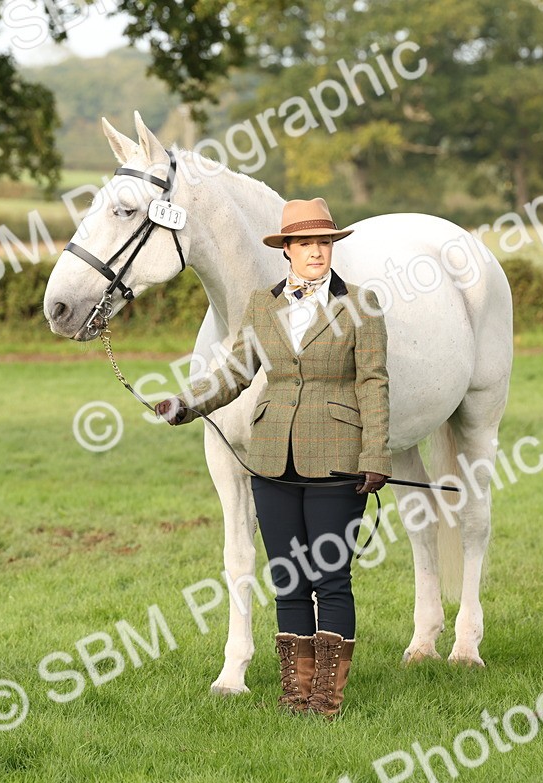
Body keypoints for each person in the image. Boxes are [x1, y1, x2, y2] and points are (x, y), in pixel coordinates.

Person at [155, 197, 391, 720]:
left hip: (337, 457)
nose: (316, 252)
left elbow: (374, 382)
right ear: (286, 250)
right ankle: (296, 693)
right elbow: (235, 371)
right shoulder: (263, 304)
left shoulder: (362, 304)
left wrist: (375, 452)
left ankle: (326, 697)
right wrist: (186, 403)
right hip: (271, 458)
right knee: (287, 578)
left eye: (323, 242)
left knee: (330, 577)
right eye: (305, 243)